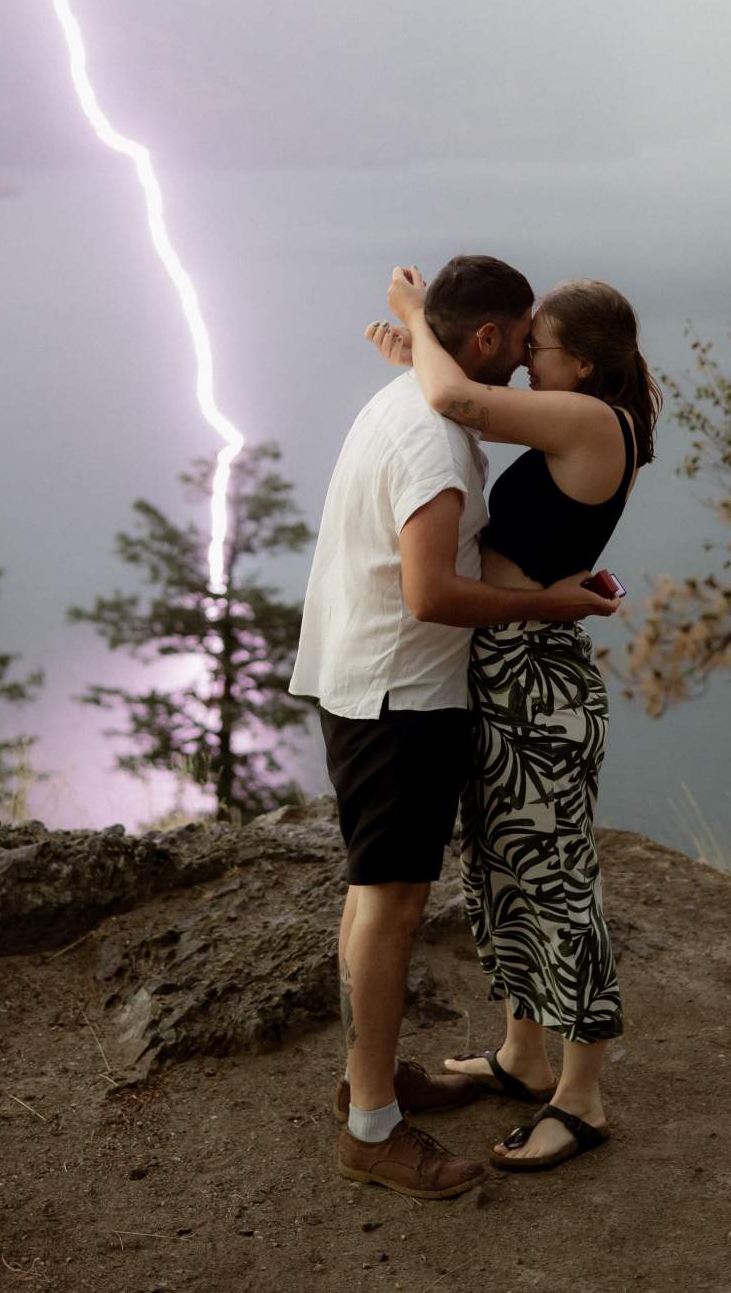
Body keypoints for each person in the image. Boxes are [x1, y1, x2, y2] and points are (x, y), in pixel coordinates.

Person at [290, 255, 618, 1201]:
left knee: (373, 897)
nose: (524, 354)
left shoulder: (409, 402)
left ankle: (374, 1083)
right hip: (400, 696)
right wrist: (548, 606)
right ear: (487, 338)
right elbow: (430, 591)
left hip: (371, 685)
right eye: (521, 338)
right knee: (389, 905)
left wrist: (413, 332)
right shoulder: (434, 441)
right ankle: (373, 1129)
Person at [370, 265, 660, 1174]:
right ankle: (523, 1056)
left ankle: (582, 1097)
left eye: (535, 347)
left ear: (579, 359)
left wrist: (418, 317)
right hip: (505, 668)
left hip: (538, 682)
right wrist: (415, 351)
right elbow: (453, 391)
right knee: (503, 869)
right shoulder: (583, 416)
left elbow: (457, 395)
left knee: (559, 882)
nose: (524, 360)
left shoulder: (593, 421)